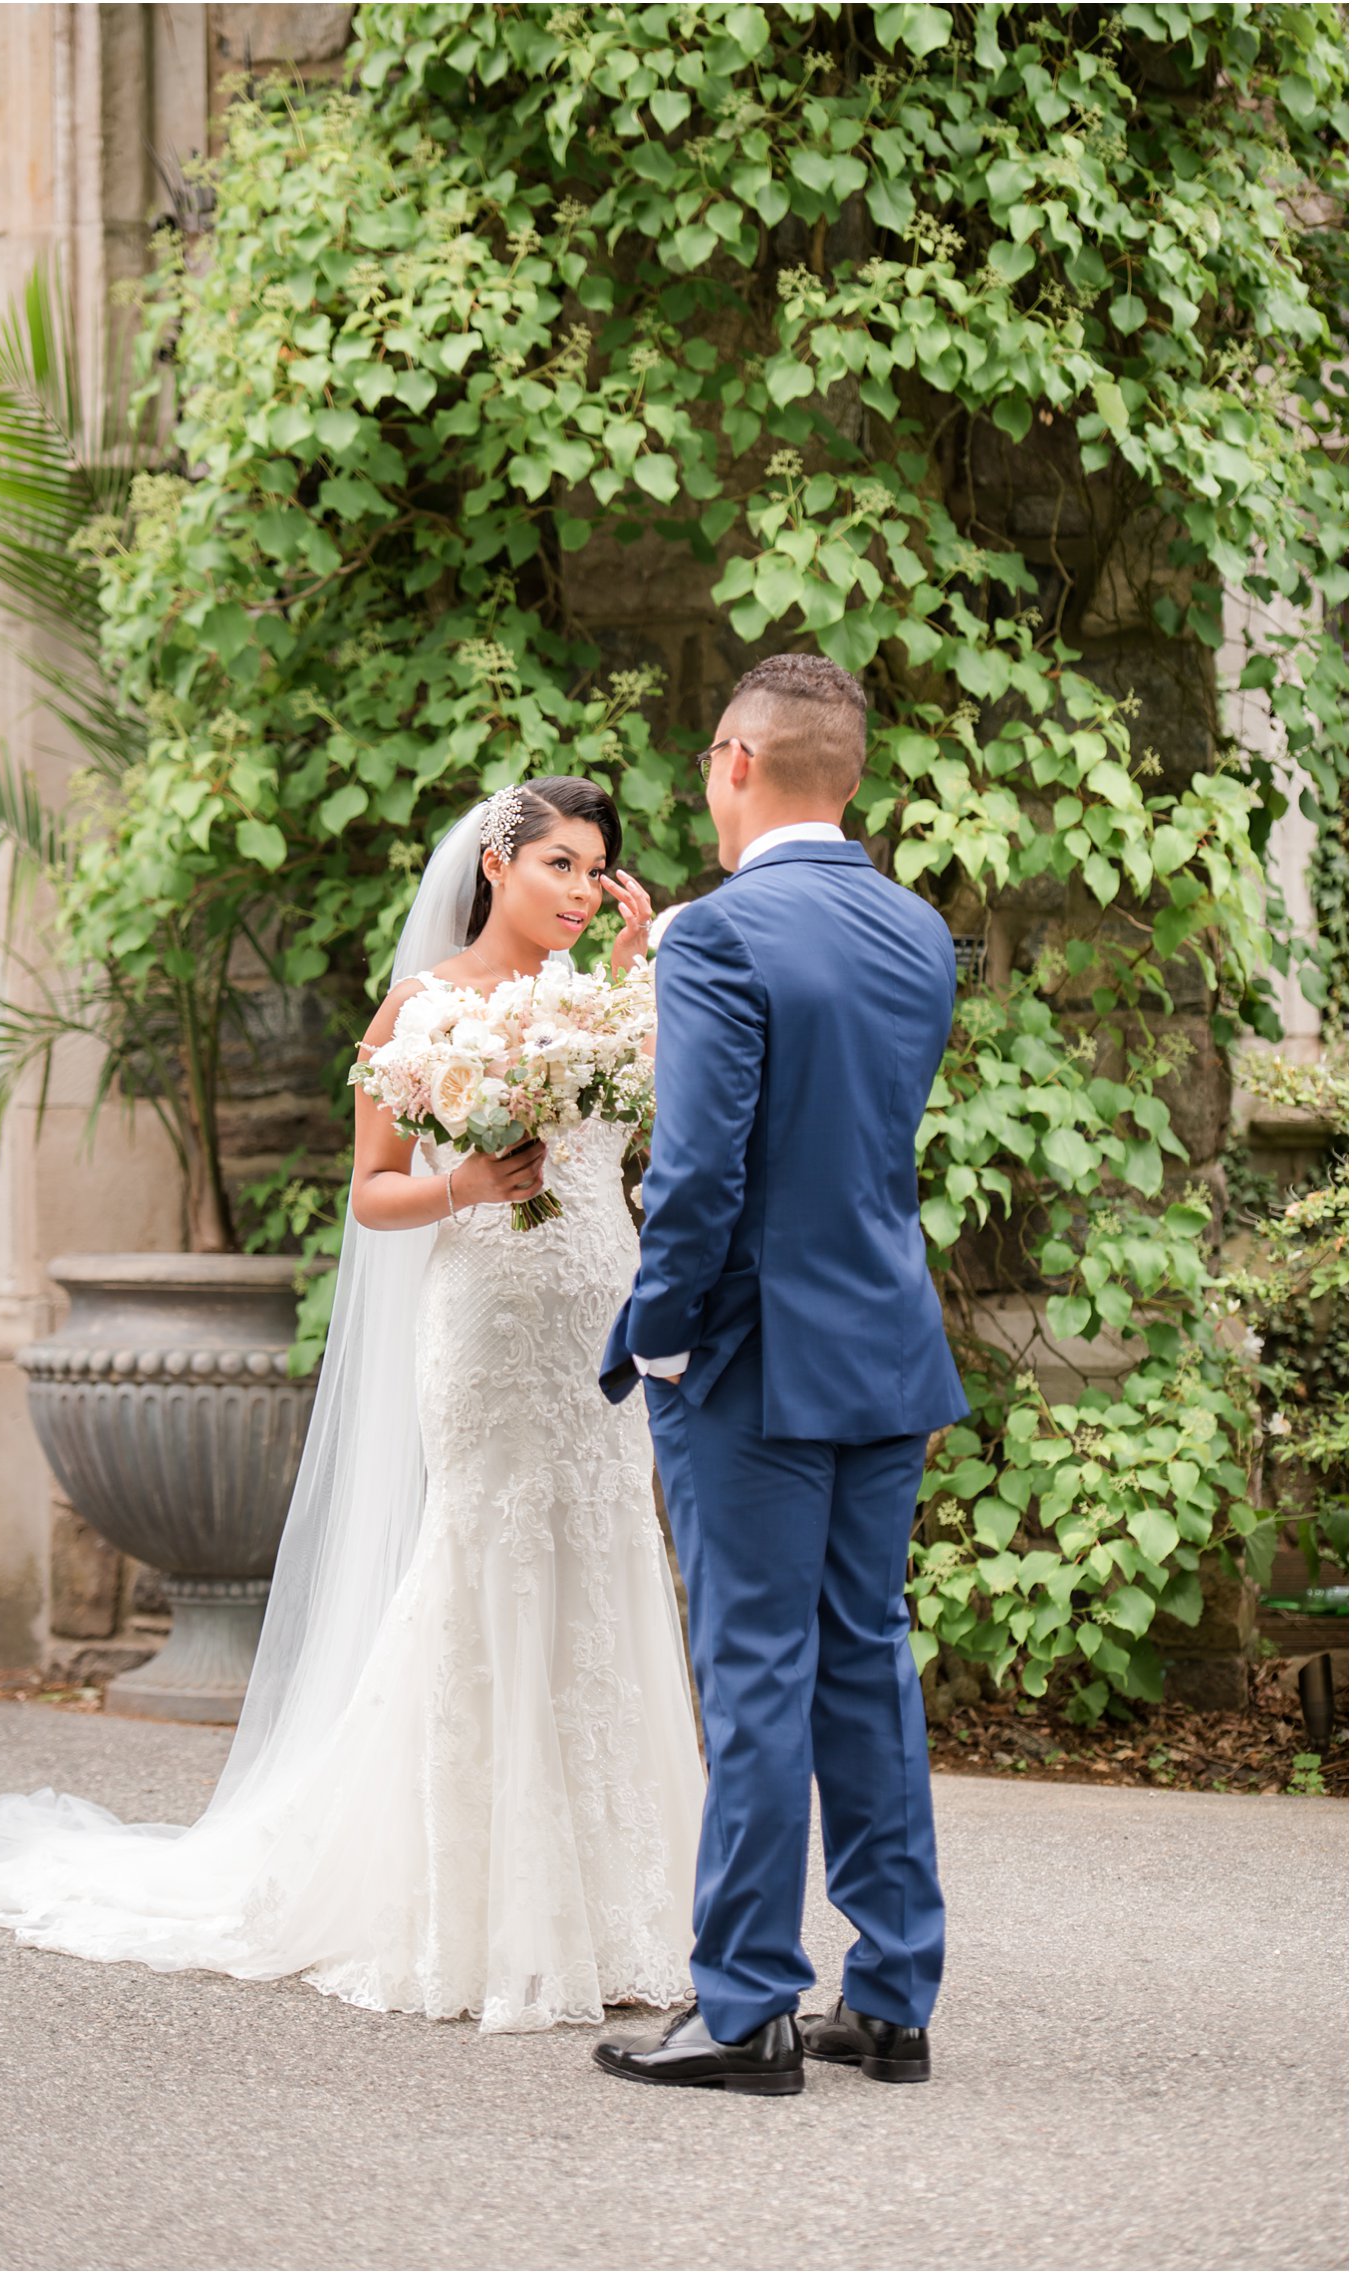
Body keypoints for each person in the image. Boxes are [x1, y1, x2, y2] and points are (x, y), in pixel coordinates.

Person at [0, 778, 705, 2036]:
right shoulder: (423, 1008)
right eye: (559, 864)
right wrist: (464, 1186)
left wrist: (627, 959)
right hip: (485, 1323)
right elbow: (373, 1195)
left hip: (596, 1315)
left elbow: (639, 1130)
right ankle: (476, 1914)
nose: (577, 888)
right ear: (496, 864)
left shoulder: (607, 999)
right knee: (490, 1561)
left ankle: (622, 1914)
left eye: (595, 869)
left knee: (606, 1563)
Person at [595, 653, 968, 2096]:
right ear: (850, 776)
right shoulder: (917, 929)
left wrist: (663, 1330)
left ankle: (745, 2002)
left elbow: (699, 1168)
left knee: (755, 1668)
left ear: (737, 761)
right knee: (863, 1658)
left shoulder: (717, 934)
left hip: (749, 1355)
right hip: (886, 1342)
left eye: (706, 765)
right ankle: (889, 1993)